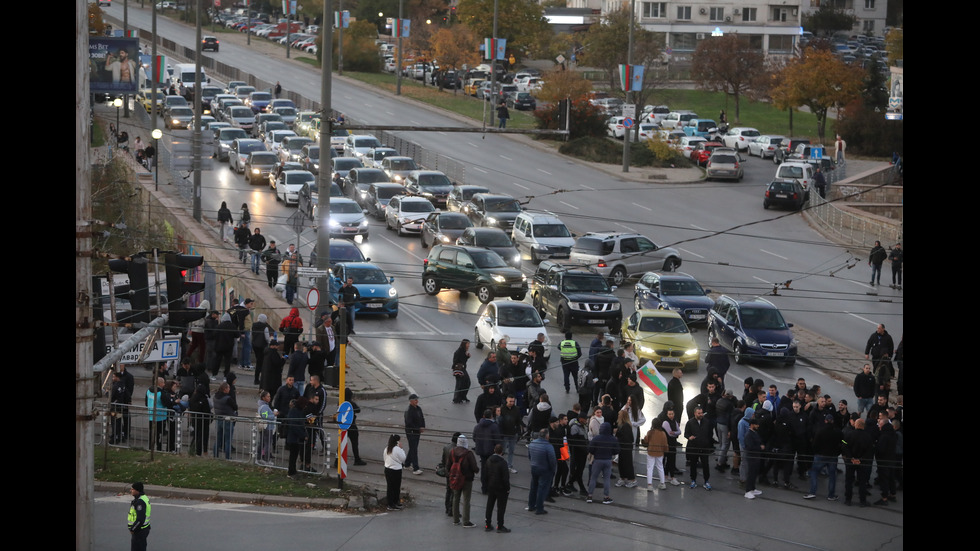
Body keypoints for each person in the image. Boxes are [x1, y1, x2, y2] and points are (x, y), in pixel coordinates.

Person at [803, 414, 841, 501]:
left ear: (825, 421)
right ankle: (831, 495)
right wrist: (841, 448)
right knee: (832, 476)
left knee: (814, 472)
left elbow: (815, 443)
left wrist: (816, 452)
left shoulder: (820, 431)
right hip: (833, 456)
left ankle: (812, 492)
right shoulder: (838, 432)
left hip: (820, 456)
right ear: (833, 421)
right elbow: (842, 441)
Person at [448, 434, 479, 527]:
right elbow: (474, 467)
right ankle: (466, 521)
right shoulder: (468, 453)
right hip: (467, 479)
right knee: (466, 500)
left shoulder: (452, 451)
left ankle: (456, 519)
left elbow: (448, 465)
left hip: (455, 478)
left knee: (456, 498)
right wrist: (476, 470)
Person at [842, 418, 874, 506]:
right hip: (862, 463)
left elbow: (844, 445)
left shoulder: (849, 434)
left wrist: (851, 457)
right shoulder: (868, 436)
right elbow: (870, 450)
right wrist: (861, 459)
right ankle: (862, 500)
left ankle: (848, 499)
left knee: (849, 481)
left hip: (850, 462)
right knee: (862, 482)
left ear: (856, 425)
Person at [586, 422, 618, 504]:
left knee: (593, 478)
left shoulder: (596, 438)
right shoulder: (613, 439)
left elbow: (590, 449)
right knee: (607, 479)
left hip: (597, 460)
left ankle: (590, 496)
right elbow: (617, 450)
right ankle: (606, 497)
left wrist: (596, 453)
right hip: (608, 460)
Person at [527, 429, 557, 514]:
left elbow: (529, 456)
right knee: (542, 489)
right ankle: (539, 508)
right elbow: (552, 460)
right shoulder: (548, 446)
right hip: (545, 470)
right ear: (547, 436)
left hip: (534, 467)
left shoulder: (532, 443)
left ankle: (531, 505)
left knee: (533, 487)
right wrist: (553, 469)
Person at [685, 406, 714, 490]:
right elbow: (686, 434)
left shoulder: (706, 422)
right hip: (694, 447)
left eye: (701, 413)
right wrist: (689, 437)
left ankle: (706, 481)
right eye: (699, 413)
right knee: (693, 464)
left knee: (705, 464)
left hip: (704, 447)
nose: (701, 415)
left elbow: (710, 433)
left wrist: (707, 442)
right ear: (695, 413)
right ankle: (693, 480)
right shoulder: (690, 422)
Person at [473, 409, 501, 494]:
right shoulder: (494, 426)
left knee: (484, 469)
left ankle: (484, 487)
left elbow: (474, 438)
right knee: (491, 470)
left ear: (483, 416)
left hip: (481, 451)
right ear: (491, 416)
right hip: (491, 451)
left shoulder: (477, 426)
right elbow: (497, 440)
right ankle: (490, 487)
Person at [484, 443, 511, 532]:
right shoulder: (503, 463)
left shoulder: (489, 460)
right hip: (501, 488)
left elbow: (485, 474)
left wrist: (486, 485)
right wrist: (507, 488)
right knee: (501, 507)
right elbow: (505, 478)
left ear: (494, 450)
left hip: (491, 486)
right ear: (501, 452)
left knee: (489, 505)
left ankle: (488, 524)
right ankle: (500, 525)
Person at [864, 324, 895, 398]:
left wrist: (890, 355)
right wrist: (866, 353)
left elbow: (891, 346)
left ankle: (885, 385)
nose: (878, 329)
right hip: (875, 357)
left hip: (884, 358)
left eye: (879, 328)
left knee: (884, 371)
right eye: (877, 328)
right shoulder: (873, 336)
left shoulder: (888, 337)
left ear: (883, 329)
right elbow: (869, 344)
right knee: (877, 371)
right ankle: (877, 384)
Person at [212, 382, 237, 460]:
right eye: (228, 387)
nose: (229, 389)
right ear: (225, 389)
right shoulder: (227, 398)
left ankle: (215, 455)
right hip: (227, 420)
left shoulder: (215, 397)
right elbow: (235, 407)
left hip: (219, 419)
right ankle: (228, 457)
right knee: (228, 440)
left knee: (218, 439)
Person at [643, 419, 669, 491]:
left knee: (650, 468)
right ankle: (662, 483)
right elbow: (665, 444)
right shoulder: (663, 433)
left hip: (651, 452)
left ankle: (649, 485)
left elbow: (645, 440)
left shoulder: (650, 432)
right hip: (660, 452)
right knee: (660, 467)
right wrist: (666, 451)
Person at [284, 398, 307, 478]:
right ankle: (291, 472)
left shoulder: (298, 411)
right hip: (293, 438)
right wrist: (303, 435)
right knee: (293, 456)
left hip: (296, 438)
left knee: (294, 455)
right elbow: (294, 426)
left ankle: (293, 471)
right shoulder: (294, 411)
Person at [615, 409, 637, 488]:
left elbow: (626, 438)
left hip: (625, 448)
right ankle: (623, 477)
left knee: (627, 464)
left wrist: (617, 434)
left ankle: (632, 480)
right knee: (622, 463)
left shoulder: (626, 426)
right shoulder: (623, 425)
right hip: (623, 447)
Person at [743, 416, 764, 499]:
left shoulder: (754, 433)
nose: (758, 426)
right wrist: (759, 447)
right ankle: (747, 491)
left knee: (754, 473)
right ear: (752, 425)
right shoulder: (748, 435)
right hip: (751, 457)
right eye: (756, 424)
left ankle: (752, 488)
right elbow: (750, 447)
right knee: (751, 473)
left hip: (756, 456)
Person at [383, 434, 406, 510]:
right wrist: (401, 449)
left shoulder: (387, 448)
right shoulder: (397, 449)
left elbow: (384, 458)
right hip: (396, 470)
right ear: (397, 441)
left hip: (387, 469)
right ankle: (395, 502)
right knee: (396, 487)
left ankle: (391, 503)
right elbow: (403, 458)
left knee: (390, 487)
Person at [404, 394, 426, 474]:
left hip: (417, 431)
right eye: (415, 400)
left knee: (413, 448)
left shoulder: (418, 408)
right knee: (414, 449)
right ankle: (415, 468)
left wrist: (422, 426)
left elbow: (422, 418)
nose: (417, 401)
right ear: (411, 401)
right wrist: (418, 428)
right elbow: (409, 423)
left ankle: (407, 464)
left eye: (417, 399)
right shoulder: (409, 410)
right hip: (411, 432)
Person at [127, 481, 151, 550]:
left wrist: (133, 529)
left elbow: (140, 519)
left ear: (137, 490)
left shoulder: (140, 502)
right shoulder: (144, 498)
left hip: (139, 530)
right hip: (144, 529)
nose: (130, 490)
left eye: (132, 489)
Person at [256, 390, 277, 466]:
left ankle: (259, 458)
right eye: (268, 396)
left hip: (265, 427)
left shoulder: (263, 405)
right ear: (263, 398)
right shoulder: (264, 407)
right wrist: (273, 415)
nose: (269, 398)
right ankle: (266, 460)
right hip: (267, 427)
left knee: (262, 443)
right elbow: (265, 416)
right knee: (267, 444)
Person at [452, 338, 472, 404]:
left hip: (463, 369)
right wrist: (456, 367)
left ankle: (463, 396)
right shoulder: (459, 351)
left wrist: (467, 357)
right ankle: (456, 398)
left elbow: (463, 360)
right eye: (468, 344)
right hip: (459, 369)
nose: (468, 345)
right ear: (464, 344)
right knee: (459, 384)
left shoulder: (464, 351)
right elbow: (456, 360)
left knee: (467, 382)